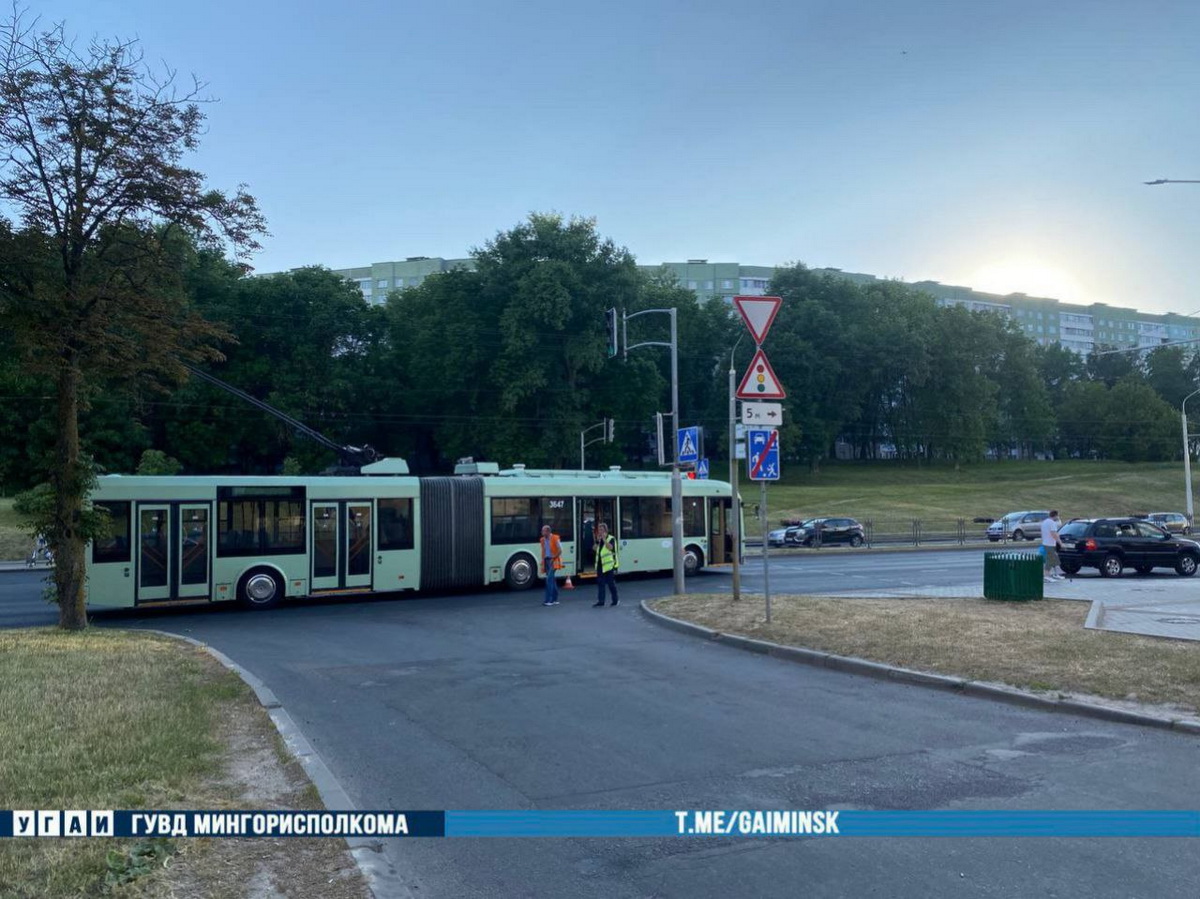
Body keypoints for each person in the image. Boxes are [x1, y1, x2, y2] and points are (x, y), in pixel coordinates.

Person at [593, 522, 619, 607]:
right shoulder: (599, 539)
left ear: (605, 530)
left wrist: (604, 540)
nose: (599, 531)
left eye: (601, 529)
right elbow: (595, 549)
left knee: (611, 584)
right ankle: (601, 601)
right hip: (600, 565)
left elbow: (610, 548)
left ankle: (615, 600)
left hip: (608, 566)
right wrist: (597, 542)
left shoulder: (611, 538)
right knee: (601, 584)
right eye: (599, 530)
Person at [539, 525, 562, 606]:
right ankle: (555, 599)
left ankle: (549, 600)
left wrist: (554, 558)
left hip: (553, 561)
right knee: (552, 580)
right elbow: (543, 551)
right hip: (547, 560)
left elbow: (560, 550)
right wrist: (542, 561)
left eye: (543, 531)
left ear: (548, 531)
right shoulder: (542, 540)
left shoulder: (555, 538)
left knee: (549, 580)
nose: (542, 532)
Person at [1041, 510, 1064, 580]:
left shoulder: (1044, 522)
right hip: (1050, 544)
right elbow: (1054, 534)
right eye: (1058, 515)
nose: (1058, 517)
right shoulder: (1052, 523)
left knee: (1055, 559)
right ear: (1056, 515)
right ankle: (1046, 576)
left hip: (1046, 543)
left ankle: (1056, 574)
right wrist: (1060, 543)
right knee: (1050, 560)